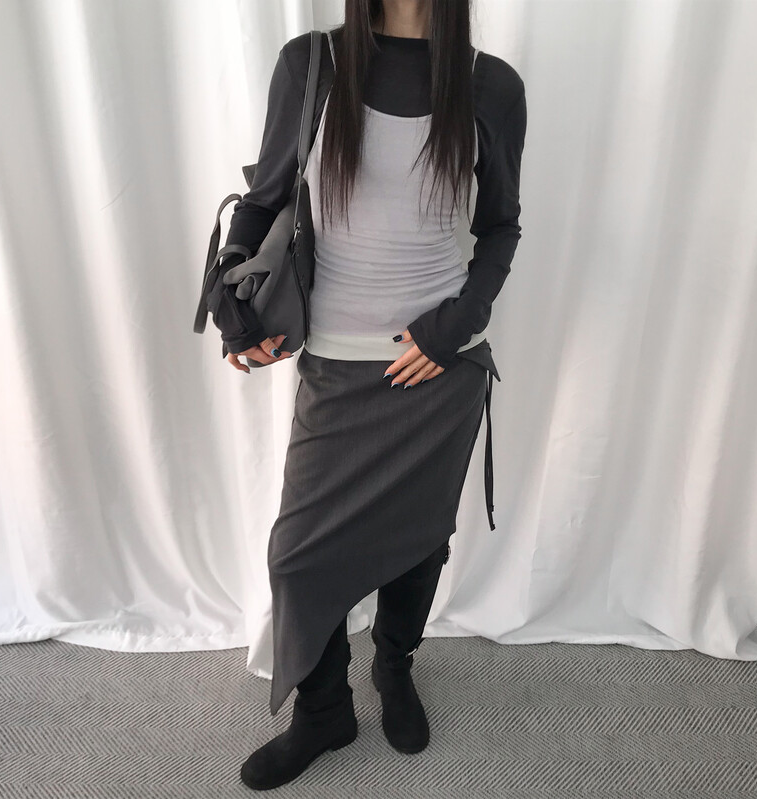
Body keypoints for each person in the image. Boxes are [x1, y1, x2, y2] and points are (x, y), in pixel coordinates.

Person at [205, 0, 526, 790]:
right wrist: (232, 291)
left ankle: (393, 664)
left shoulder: (491, 85)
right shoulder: (312, 64)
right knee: (297, 555)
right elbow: (264, 199)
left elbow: (500, 228)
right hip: (337, 366)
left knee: (419, 544)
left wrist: (457, 324)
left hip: (438, 371)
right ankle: (324, 712)